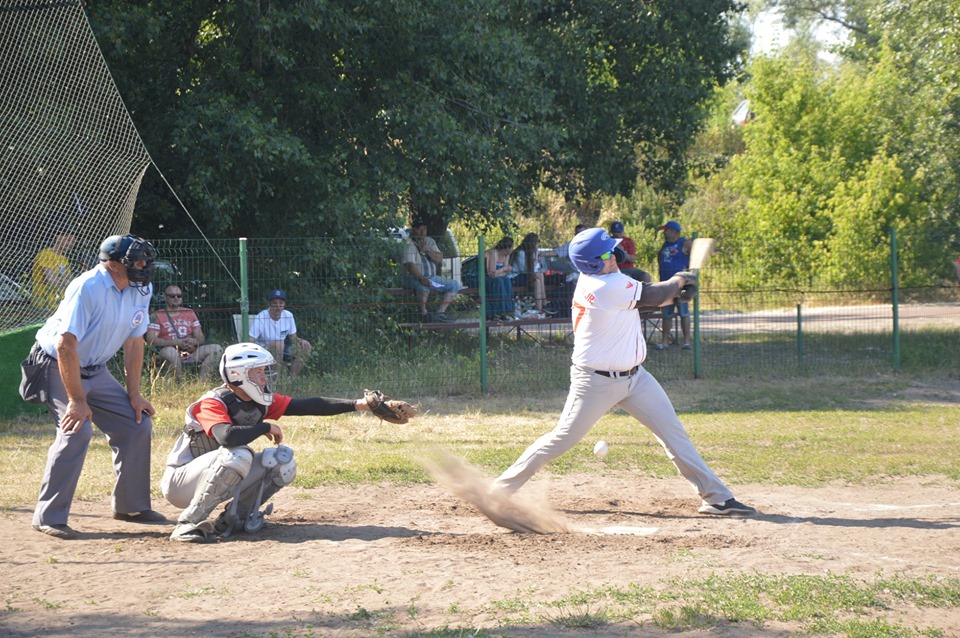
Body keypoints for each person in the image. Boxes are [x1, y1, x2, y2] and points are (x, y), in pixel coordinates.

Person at [491, 228, 755, 517]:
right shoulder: (600, 286)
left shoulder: (610, 280)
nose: (614, 256)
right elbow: (654, 294)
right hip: (595, 382)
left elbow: (651, 295)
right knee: (560, 439)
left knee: (674, 434)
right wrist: (680, 281)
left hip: (636, 379)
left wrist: (676, 293)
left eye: (612, 250)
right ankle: (498, 492)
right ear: (591, 263)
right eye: (606, 253)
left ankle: (716, 498)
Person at [161, 342, 409, 542]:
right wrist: (265, 426)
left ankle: (234, 520)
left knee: (282, 462)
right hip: (180, 482)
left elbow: (308, 405)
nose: (264, 376)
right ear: (238, 375)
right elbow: (227, 437)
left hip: (215, 471)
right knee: (238, 454)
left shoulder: (259, 399)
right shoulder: (213, 402)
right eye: (257, 371)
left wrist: (358, 405)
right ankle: (187, 524)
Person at [29, 234, 168, 539]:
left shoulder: (141, 288)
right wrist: (78, 400)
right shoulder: (87, 287)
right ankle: (48, 517)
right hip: (57, 363)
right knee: (77, 429)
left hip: (96, 368)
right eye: (137, 260)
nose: (144, 265)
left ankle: (130, 507)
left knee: (136, 424)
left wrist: (134, 395)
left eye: (146, 259)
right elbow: (66, 346)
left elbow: (134, 343)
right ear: (113, 264)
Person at [146, 285, 224, 379]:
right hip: (168, 352)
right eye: (172, 296)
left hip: (190, 352)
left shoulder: (189, 313)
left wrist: (194, 342)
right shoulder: (157, 315)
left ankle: (202, 383)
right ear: (165, 297)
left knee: (216, 349)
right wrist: (176, 343)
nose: (176, 298)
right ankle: (180, 384)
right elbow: (151, 340)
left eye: (179, 296)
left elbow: (200, 338)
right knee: (170, 352)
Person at [400, 218, 462, 323]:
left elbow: (439, 258)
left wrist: (427, 250)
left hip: (432, 278)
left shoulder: (430, 241)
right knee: (423, 287)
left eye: (424, 229)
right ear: (414, 230)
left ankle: (440, 313)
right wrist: (421, 278)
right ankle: (423, 314)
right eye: (420, 229)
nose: (423, 232)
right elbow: (410, 266)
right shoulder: (408, 244)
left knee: (454, 285)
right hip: (413, 277)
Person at [249, 290, 312, 377]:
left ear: (284, 304)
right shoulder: (261, 317)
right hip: (264, 350)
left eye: (281, 303)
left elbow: (293, 338)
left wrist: (301, 341)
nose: (278, 306)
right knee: (279, 344)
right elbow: (251, 340)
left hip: (282, 348)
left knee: (305, 347)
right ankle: (276, 379)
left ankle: (292, 380)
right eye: (274, 303)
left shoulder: (288, 315)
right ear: (269, 304)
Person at [656, 220, 692, 350]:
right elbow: (660, 259)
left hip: (680, 285)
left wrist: (690, 274)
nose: (664, 233)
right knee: (666, 314)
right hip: (666, 286)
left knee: (683, 312)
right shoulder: (665, 245)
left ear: (674, 232)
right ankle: (665, 341)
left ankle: (687, 342)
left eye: (666, 230)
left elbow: (695, 255)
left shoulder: (684, 243)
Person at [31, 226, 76, 312]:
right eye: (68, 239)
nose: (71, 243)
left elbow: (68, 279)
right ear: (58, 237)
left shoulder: (64, 259)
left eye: (73, 241)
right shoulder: (46, 254)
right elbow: (52, 281)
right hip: (44, 303)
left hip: (61, 302)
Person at [509, 233, 550, 316]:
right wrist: (534, 262)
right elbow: (523, 269)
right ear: (532, 243)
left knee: (538, 279)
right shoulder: (521, 252)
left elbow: (537, 268)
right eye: (537, 242)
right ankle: (543, 302)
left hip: (527, 275)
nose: (538, 244)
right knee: (539, 276)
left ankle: (541, 308)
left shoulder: (532, 253)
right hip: (518, 276)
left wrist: (536, 256)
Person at [485, 236, 516, 320]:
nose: (513, 249)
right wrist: (503, 269)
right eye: (512, 247)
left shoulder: (506, 256)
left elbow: (504, 273)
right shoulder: (494, 253)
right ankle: (496, 311)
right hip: (485, 278)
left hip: (499, 277)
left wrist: (499, 272)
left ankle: (505, 310)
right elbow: (491, 273)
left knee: (507, 281)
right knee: (499, 282)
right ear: (507, 248)